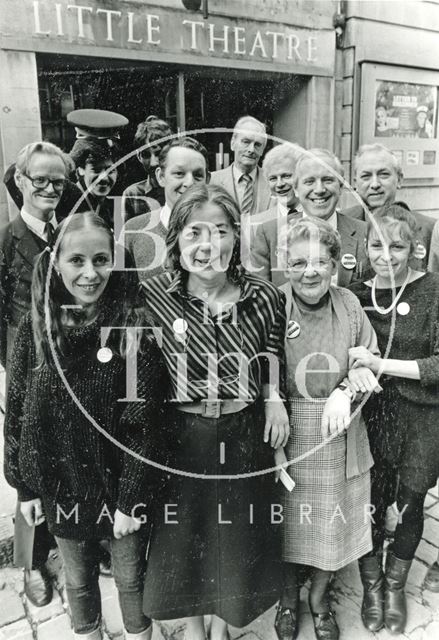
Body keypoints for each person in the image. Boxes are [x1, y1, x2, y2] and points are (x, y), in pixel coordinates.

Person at [4, 212, 166, 640]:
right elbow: (18, 413)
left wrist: (131, 501)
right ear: (56, 262)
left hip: (119, 493)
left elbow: (143, 425)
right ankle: (88, 633)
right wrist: (25, 489)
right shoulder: (36, 329)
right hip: (63, 489)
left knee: (131, 579)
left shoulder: (132, 329)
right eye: (77, 261)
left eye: (101, 259)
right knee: (78, 581)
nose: (90, 273)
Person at [139, 183, 289, 640]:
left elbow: (271, 347)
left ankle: (224, 628)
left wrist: (274, 395)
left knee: (235, 540)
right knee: (187, 541)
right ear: (176, 241)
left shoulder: (262, 295)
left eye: (221, 231)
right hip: (182, 439)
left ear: (236, 237)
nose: (209, 246)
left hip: (244, 434)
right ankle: (194, 629)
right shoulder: (154, 298)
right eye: (195, 233)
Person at [274, 217, 380, 640]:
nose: (310, 271)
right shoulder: (272, 303)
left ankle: (318, 600)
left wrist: (344, 391)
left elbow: (367, 359)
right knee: (283, 526)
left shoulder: (350, 305)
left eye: (321, 261)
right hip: (284, 431)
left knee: (330, 529)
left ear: (335, 264)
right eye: (299, 262)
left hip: (340, 432)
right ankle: (286, 600)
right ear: (285, 264)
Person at [348, 204, 439, 635]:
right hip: (374, 414)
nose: (387, 255)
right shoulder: (355, 292)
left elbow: (438, 365)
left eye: (397, 246)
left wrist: (382, 364)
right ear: (366, 247)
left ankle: (397, 586)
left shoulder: (433, 290)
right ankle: (372, 585)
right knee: (371, 495)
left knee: (411, 497)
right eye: (377, 245)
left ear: (414, 249)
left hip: (423, 415)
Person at [0, 141, 75, 606]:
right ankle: (31, 562)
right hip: (27, 371)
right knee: (29, 464)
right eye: (40, 180)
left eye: (58, 181)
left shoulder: (70, 234)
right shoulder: (6, 241)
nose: (49, 188)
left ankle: (81, 541)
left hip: (76, 370)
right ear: (21, 181)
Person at [252, 149, 368, 288]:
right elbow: (259, 298)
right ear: (295, 189)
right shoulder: (269, 234)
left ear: (341, 187)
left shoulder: (365, 233)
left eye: (328, 180)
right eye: (309, 181)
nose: (319, 190)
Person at [122, 136, 209, 283]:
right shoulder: (132, 231)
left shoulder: (222, 233)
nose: (189, 183)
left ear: (207, 180)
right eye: (179, 173)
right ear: (161, 176)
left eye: (198, 175)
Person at [344, 144, 434, 270]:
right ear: (355, 183)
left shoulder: (429, 229)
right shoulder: (342, 224)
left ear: (399, 179)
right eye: (366, 176)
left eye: (383, 174)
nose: (375, 184)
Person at [247, 142, 302, 287]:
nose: (279, 184)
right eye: (273, 178)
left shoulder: (320, 216)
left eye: (286, 176)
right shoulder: (254, 224)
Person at [210, 116, 272, 215]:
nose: (251, 150)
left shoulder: (273, 182)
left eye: (257, 145)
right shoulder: (212, 181)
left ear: (262, 150)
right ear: (232, 143)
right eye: (246, 142)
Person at [122, 115, 172, 221]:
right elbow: (125, 235)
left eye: (158, 153)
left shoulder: (182, 188)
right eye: (146, 155)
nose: (153, 163)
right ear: (139, 156)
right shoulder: (132, 195)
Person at [70, 137, 121, 230]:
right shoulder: (68, 203)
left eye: (110, 170)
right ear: (81, 170)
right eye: (96, 170)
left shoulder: (108, 206)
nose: (104, 178)